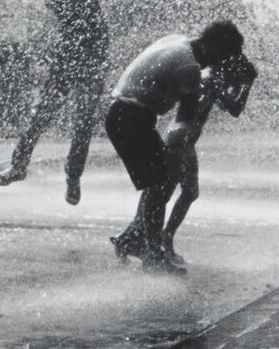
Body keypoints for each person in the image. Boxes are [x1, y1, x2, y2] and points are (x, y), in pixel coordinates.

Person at [105, 20, 247, 269]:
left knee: (156, 186)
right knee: (159, 187)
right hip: (131, 118)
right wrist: (177, 153)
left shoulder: (177, 40)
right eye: (221, 58)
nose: (218, 65)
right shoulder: (189, 67)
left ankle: (137, 242)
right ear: (213, 48)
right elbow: (185, 121)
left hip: (124, 114)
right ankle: (152, 253)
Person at [0, 0, 108, 205]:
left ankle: (72, 178)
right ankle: (18, 167)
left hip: (92, 59)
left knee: (83, 123)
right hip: (67, 58)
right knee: (40, 116)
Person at [160, 50, 258, 263]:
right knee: (164, 195)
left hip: (183, 143)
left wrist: (237, 86)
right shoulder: (211, 81)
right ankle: (146, 239)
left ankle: (158, 236)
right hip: (179, 143)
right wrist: (247, 84)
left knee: (186, 193)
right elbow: (234, 108)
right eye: (237, 78)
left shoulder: (212, 80)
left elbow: (229, 105)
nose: (236, 82)